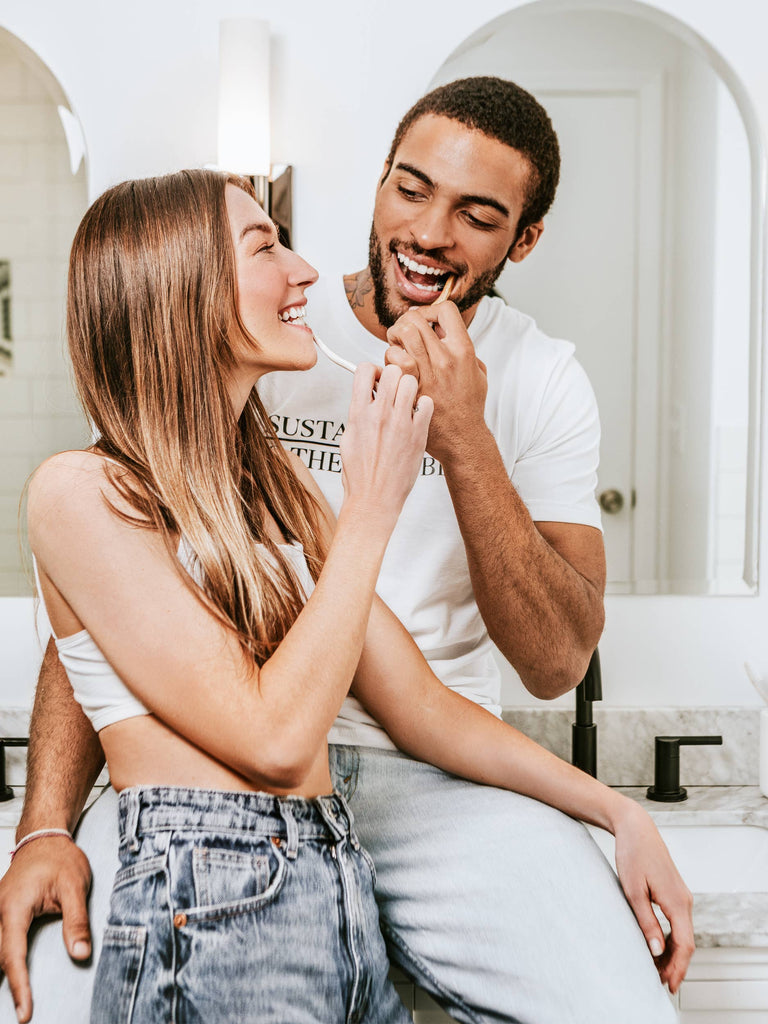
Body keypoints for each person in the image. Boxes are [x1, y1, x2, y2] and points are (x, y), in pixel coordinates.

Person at [0, 82, 693, 1024]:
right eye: (411, 189)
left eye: (477, 214)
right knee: (44, 992)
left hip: (404, 803)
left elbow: (472, 688)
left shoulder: (294, 486)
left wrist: (619, 811)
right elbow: (103, 643)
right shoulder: (100, 480)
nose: (306, 273)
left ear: (521, 240)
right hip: (210, 821)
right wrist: (44, 824)